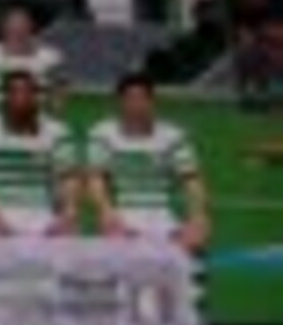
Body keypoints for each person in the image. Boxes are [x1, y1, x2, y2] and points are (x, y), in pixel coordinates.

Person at [86, 72, 210, 254]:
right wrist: (106, 212)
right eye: (130, 99)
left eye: (142, 99)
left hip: (163, 216)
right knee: (118, 246)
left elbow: (192, 180)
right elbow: (95, 179)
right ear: (120, 102)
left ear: (152, 101)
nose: (136, 105)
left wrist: (198, 216)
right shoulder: (103, 134)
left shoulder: (173, 136)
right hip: (123, 215)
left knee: (195, 242)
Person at [0, 70, 79, 236]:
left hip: (44, 214)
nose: (21, 98)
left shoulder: (57, 131)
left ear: (36, 97)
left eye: (27, 92)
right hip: (2, 213)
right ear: (5, 97)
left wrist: (68, 211)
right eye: (15, 92)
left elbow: (68, 177)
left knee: (69, 232)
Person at [0, 5, 65, 114]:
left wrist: (52, 111)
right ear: (2, 28)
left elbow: (60, 88)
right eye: (12, 26)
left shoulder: (51, 57)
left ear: (31, 27)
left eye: (22, 25)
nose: (17, 31)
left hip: (39, 115)